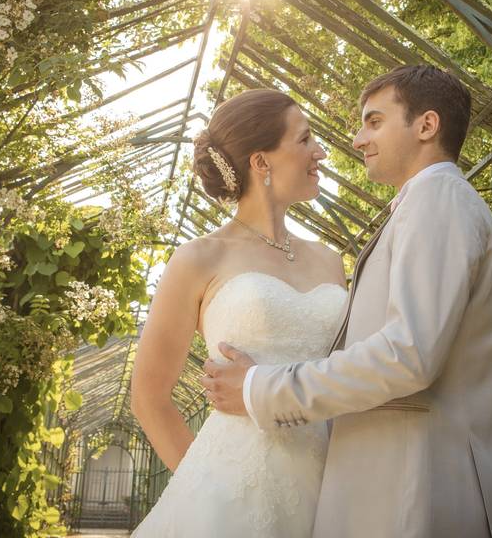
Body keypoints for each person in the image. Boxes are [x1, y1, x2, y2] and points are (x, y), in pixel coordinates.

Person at [203, 65, 492, 537]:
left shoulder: (438, 201)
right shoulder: (420, 206)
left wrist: (262, 389)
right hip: (391, 488)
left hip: (424, 492)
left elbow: (409, 356)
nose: (357, 139)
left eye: (374, 121)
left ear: (426, 125)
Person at [128, 89, 347, 537]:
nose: (320, 152)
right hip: (230, 496)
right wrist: (204, 486)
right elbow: (149, 396)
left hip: (333, 483)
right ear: (261, 162)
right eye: (305, 140)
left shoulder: (329, 260)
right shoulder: (198, 259)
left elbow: (346, 371)